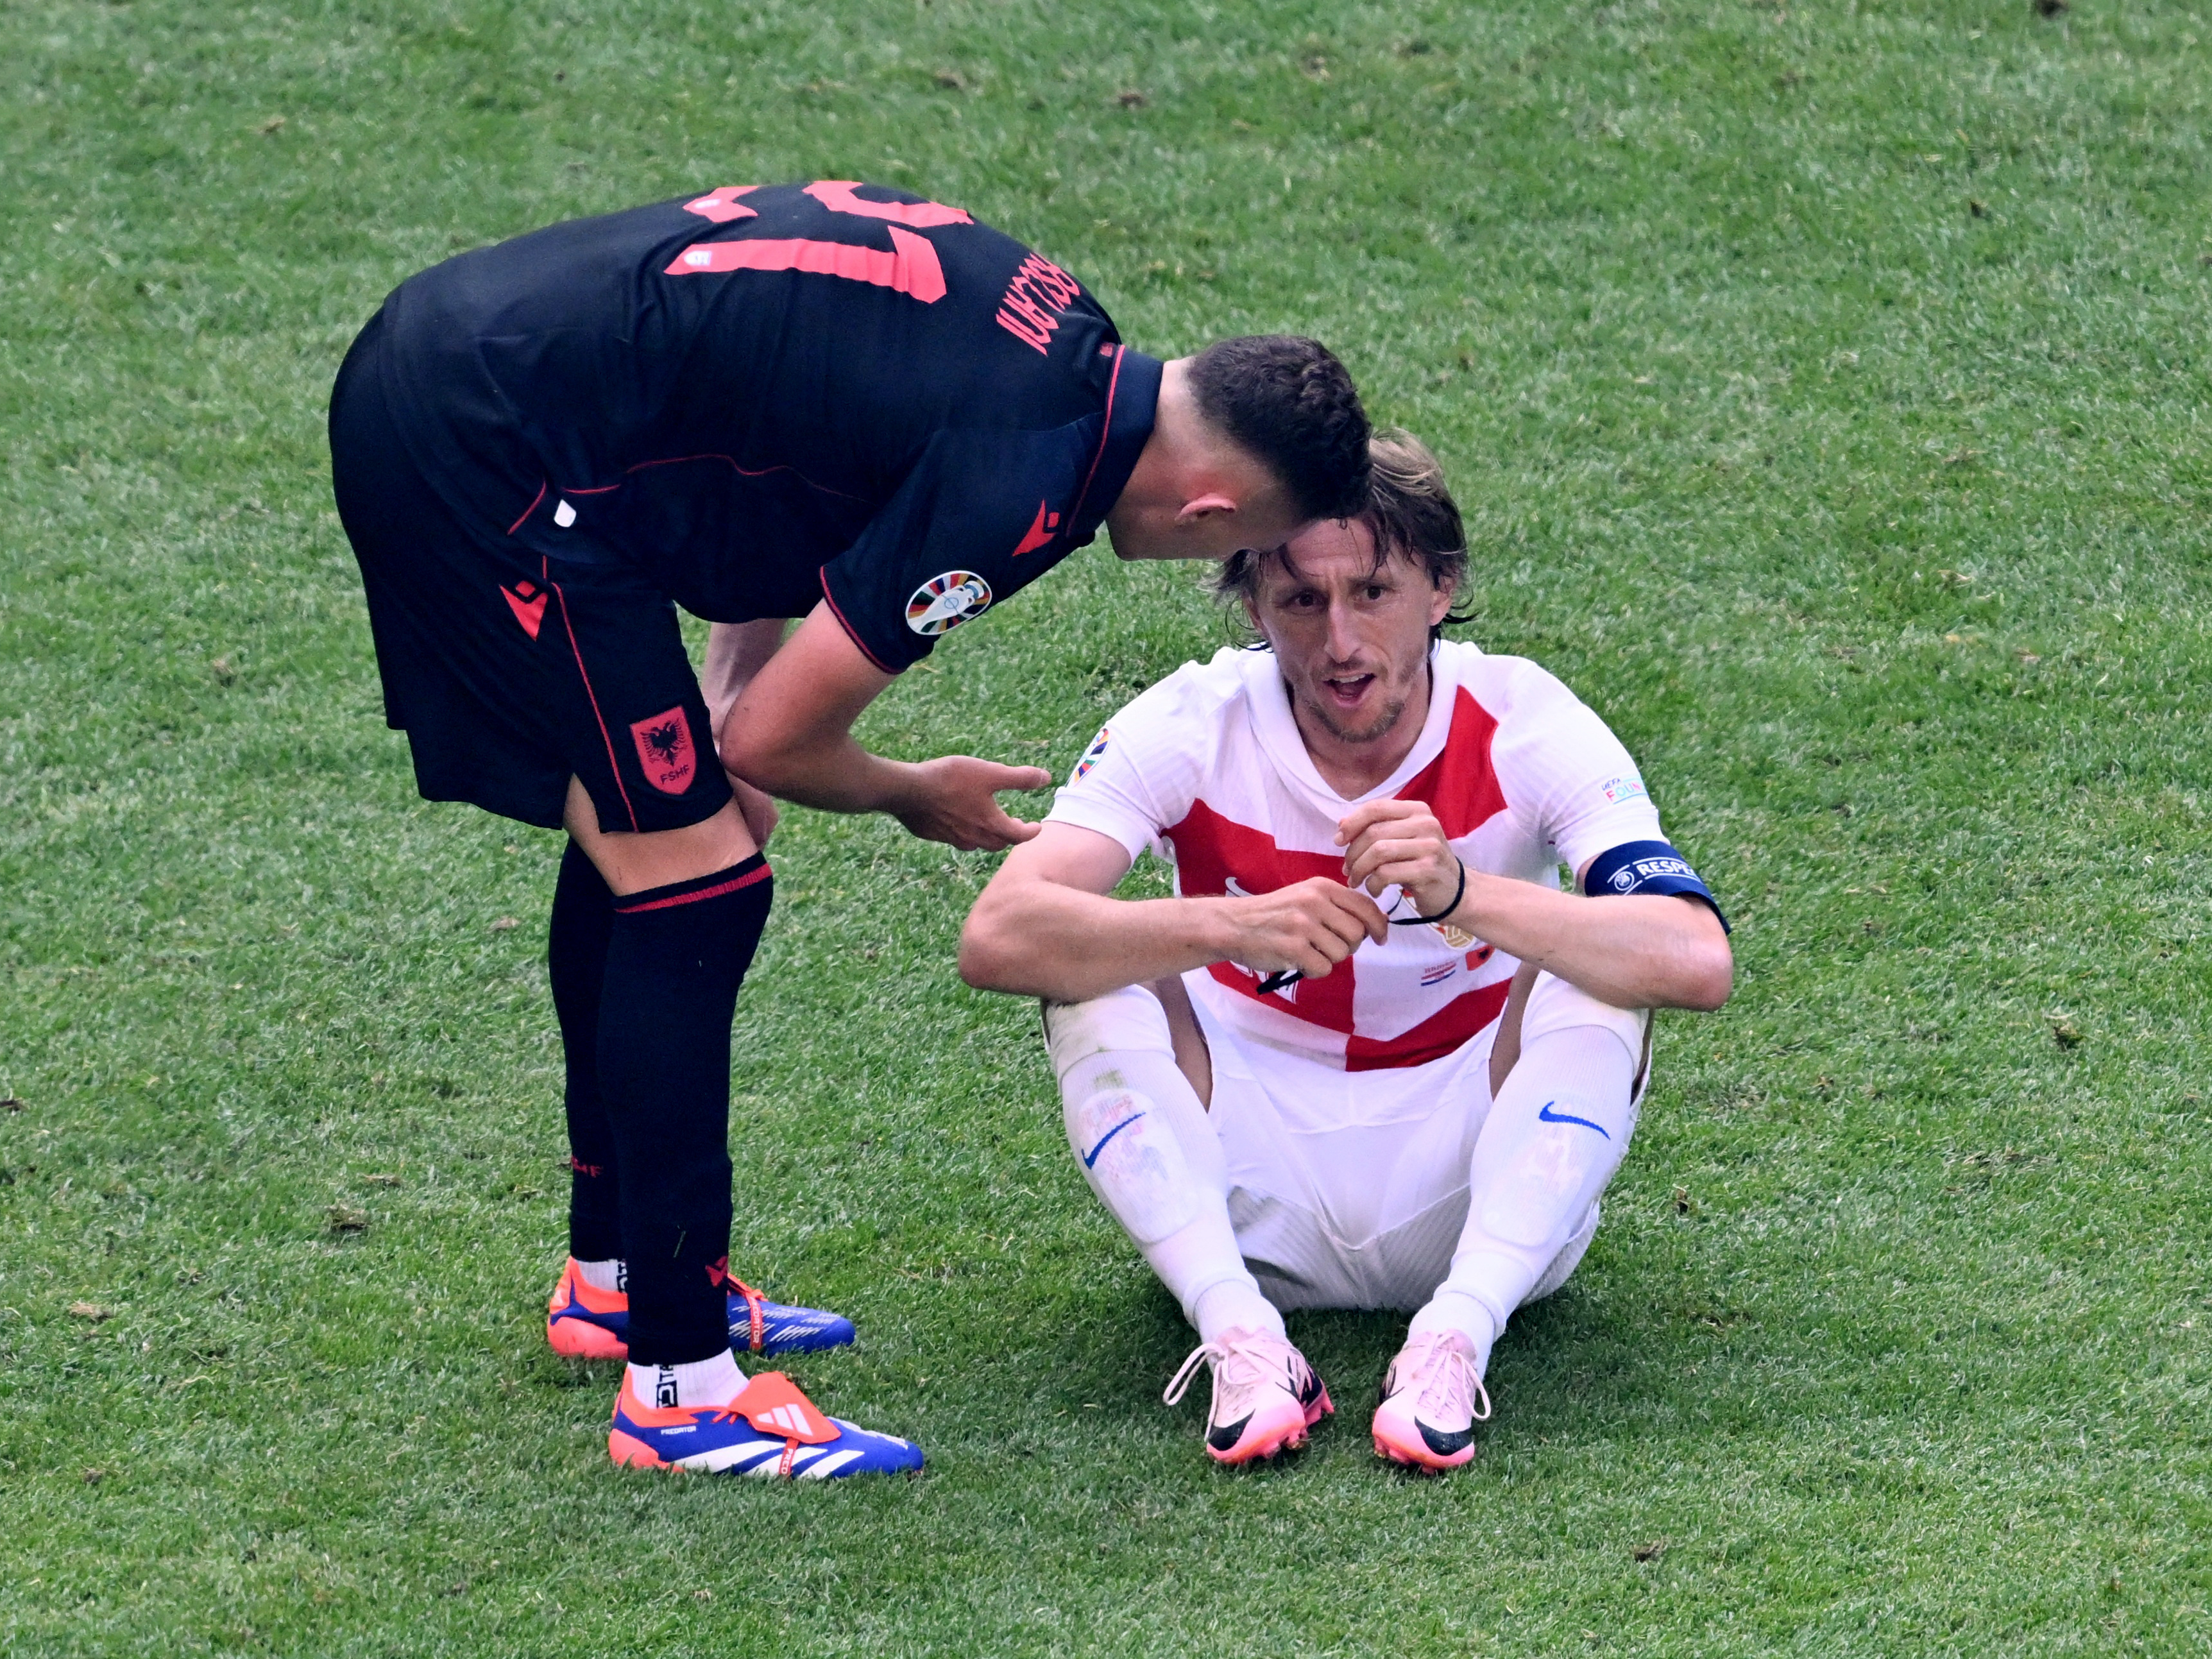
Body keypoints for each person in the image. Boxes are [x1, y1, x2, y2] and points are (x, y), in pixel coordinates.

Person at [326, 180, 1372, 1479]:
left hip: (478, 371)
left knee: (657, 833)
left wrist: (727, 683)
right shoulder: (1025, 482)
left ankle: (618, 1280)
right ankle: (680, 1390)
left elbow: (765, 442)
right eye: (1245, 557)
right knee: (699, 885)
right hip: (484, 447)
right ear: (1208, 513)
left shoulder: (1067, 333)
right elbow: (779, 744)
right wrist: (907, 791)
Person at [957, 432, 1731, 1470]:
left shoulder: (1524, 720)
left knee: (1605, 965)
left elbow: (1695, 957)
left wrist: (1465, 892)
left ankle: (1455, 1337)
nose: (1340, 641)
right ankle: (1241, 1338)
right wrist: (1232, 925)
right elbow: (999, 934)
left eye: (1373, 592)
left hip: (1477, 1183)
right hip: (1244, 1192)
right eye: (1301, 600)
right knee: (1086, 966)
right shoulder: (1191, 720)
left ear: (1441, 588)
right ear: (1253, 607)